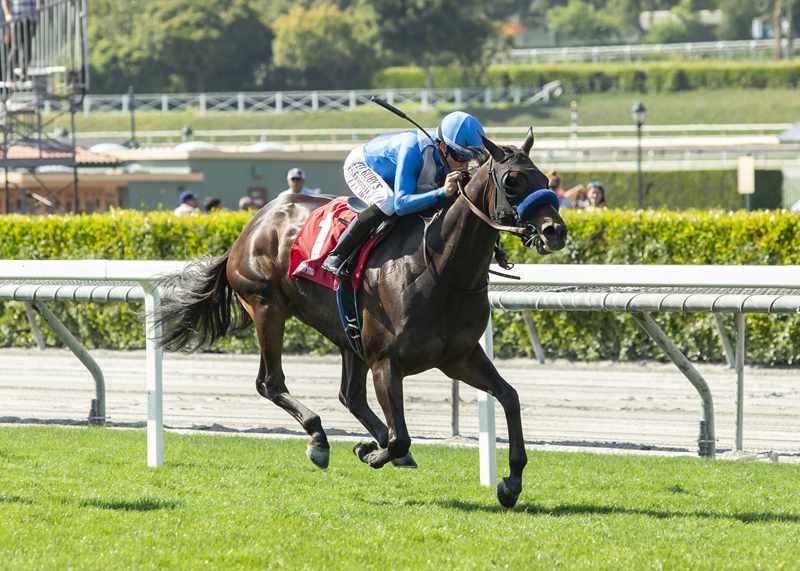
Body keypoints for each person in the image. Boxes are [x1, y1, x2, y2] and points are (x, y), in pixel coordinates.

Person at [320, 111, 486, 278]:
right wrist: (442, 192)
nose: (465, 165)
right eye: (460, 157)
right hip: (362, 165)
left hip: (397, 175)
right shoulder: (414, 149)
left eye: (470, 159)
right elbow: (400, 204)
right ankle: (337, 255)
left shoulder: (447, 155)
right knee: (387, 202)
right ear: (443, 147)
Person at [1, 0, 40, 84]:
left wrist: (42, 3)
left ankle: (24, 74)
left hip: (31, 18)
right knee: (16, 47)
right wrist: (7, 14)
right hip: (17, 19)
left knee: (27, 48)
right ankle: (10, 76)